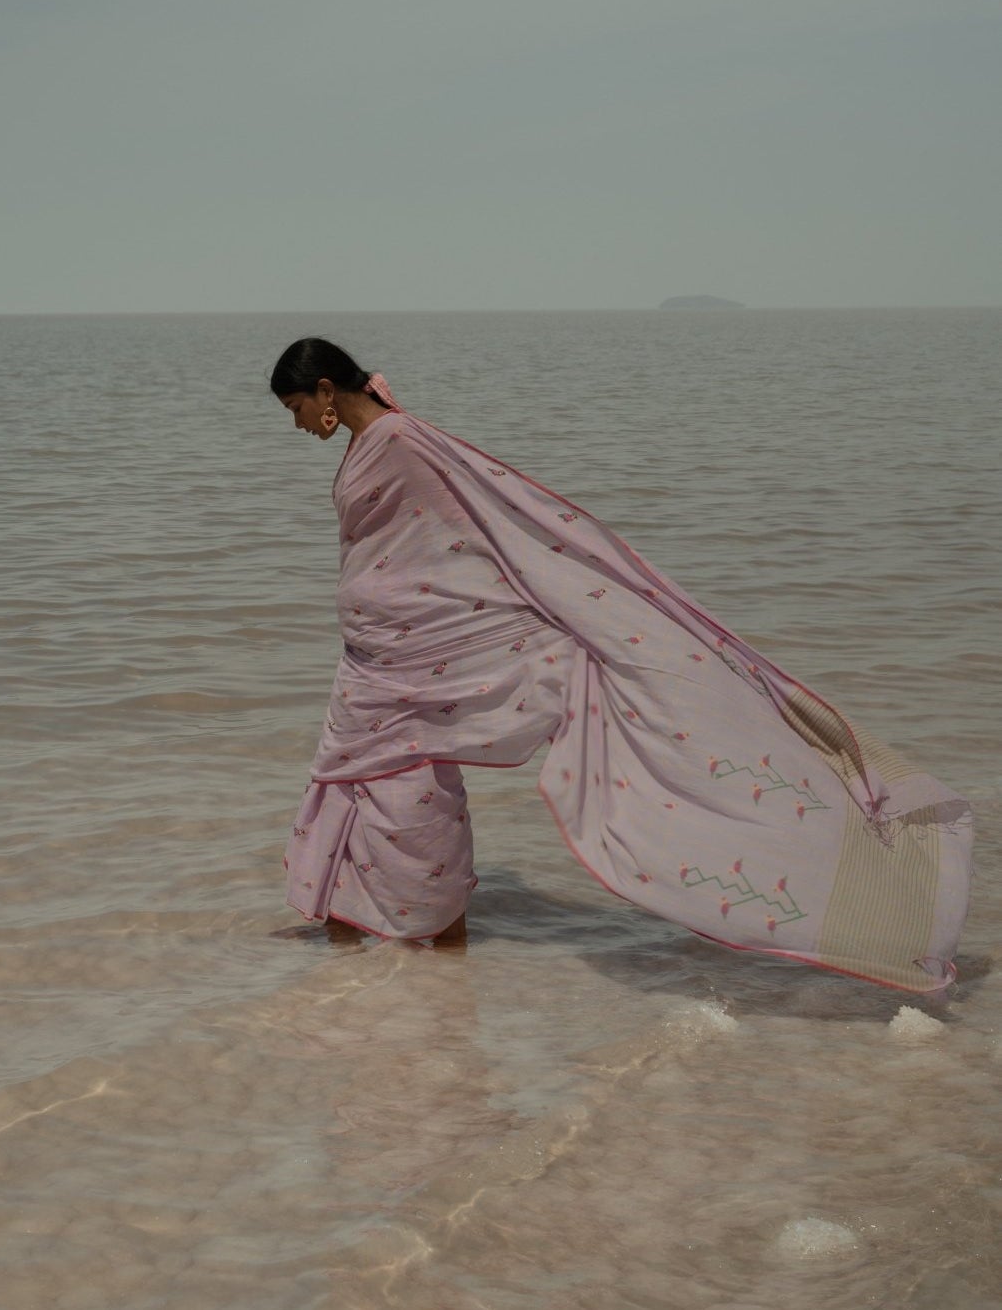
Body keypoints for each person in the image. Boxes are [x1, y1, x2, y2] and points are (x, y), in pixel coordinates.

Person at [271, 337, 973, 992]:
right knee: (357, 784)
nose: (298, 425)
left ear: (326, 390)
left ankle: (432, 965)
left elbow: (495, 529)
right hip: (378, 663)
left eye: (298, 408)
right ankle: (375, 957)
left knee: (405, 798)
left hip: (411, 658)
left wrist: (554, 612)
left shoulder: (398, 440)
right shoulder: (379, 439)